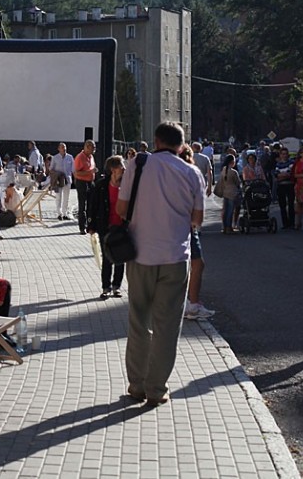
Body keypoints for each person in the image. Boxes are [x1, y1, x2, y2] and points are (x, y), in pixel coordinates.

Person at [117, 122, 204, 406]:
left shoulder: (137, 164)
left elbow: (121, 209)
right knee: (167, 327)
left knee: (138, 321)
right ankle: (157, 389)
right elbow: (197, 220)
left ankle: (136, 385)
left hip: (140, 255)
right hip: (176, 258)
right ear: (181, 145)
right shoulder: (192, 173)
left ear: (155, 141)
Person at [180, 146, 214, 320]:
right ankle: (192, 305)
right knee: (196, 264)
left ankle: (190, 303)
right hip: (186, 227)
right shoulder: (191, 175)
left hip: (173, 228)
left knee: (191, 265)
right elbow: (197, 217)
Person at [86, 155, 127, 299]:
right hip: (106, 225)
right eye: (121, 166)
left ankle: (117, 286)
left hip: (122, 226)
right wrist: (90, 225)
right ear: (112, 169)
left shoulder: (127, 185)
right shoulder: (101, 185)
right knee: (107, 257)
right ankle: (106, 287)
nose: (124, 168)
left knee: (121, 257)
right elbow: (93, 206)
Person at [74, 139, 98, 234]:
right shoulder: (80, 157)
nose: (94, 149)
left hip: (90, 182)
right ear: (87, 147)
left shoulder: (91, 156)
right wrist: (89, 172)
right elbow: (77, 173)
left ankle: (90, 225)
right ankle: (82, 227)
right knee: (82, 205)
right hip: (82, 182)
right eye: (93, 147)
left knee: (91, 205)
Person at [217, 153, 242, 234]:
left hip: (225, 192)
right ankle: (229, 227)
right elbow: (238, 182)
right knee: (231, 211)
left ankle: (224, 227)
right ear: (232, 162)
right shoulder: (233, 172)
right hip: (233, 192)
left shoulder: (224, 170)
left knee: (225, 211)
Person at [50, 142, 74, 220]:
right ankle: (59, 213)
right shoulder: (55, 157)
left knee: (66, 197)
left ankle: (65, 213)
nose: (64, 149)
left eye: (65, 147)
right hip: (58, 179)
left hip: (67, 179)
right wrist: (57, 173)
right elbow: (51, 169)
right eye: (62, 147)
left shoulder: (70, 157)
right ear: (59, 149)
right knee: (58, 196)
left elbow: (73, 169)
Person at [274, 147, 295, 229]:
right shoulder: (278, 164)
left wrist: (281, 176)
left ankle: (292, 223)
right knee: (282, 205)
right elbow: (276, 175)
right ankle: (285, 224)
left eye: (286, 154)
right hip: (281, 186)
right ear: (280, 155)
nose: (284, 156)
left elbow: (290, 174)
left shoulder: (291, 163)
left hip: (289, 185)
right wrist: (283, 175)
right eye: (283, 154)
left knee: (290, 204)